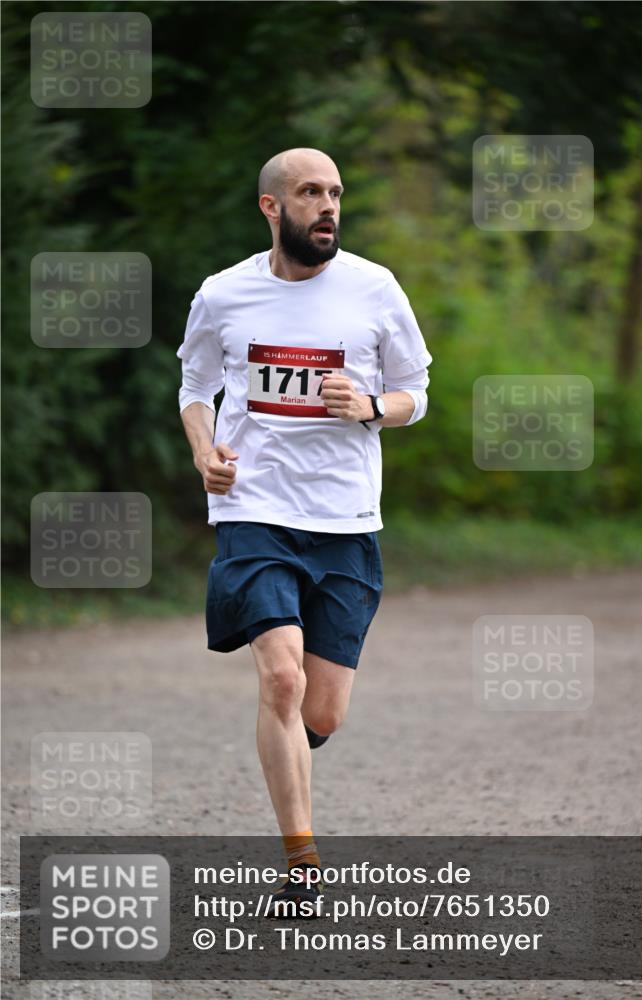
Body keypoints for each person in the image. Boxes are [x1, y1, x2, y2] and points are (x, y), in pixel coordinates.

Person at [177, 147, 432, 916]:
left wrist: (372, 407)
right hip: (254, 512)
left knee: (320, 711)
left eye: (336, 193)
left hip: (345, 520)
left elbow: (415, 392)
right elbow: (194, 387)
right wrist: (203, 453)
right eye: (310, 193)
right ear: (271, 206)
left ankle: (288, 743)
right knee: (280, 679)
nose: (327, 206)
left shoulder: (374, 288)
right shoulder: (224, 295)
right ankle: (302, 866)